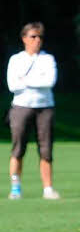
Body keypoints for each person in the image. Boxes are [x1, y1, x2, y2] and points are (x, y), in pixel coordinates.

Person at [7, 22, 59, 200]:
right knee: (18, 148)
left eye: (40, 37)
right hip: (21, 106)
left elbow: (49, 82)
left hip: (44, 107)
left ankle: (48, 188)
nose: (37, 40)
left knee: (46, 150)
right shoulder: (16, 60)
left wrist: (26, 80)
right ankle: (15, 187)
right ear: (24, 39)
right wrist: (37, 79)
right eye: (33, 36)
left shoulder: (48, 59)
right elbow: (13, 85)